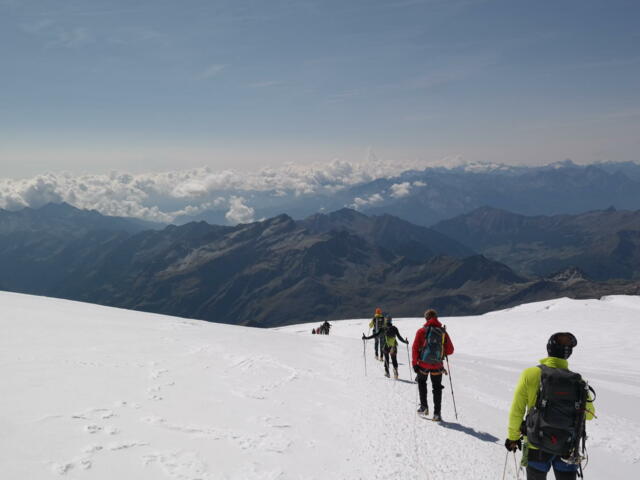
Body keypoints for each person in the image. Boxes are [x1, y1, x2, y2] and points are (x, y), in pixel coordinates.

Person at [505, 332, 595, 480]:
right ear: (568, 354)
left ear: (549, 349)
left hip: (536, 445)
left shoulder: (530, 373)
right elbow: (589, 415)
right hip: (568, 448)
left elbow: (517, 410)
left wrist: (513, 438)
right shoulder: (578, 381)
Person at [411, 309, 454, 422]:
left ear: (426, 318)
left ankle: (424, 407)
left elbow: (415, 348)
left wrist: (415, 364)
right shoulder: (442, 331)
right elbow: (450, 350)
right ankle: (437, 414)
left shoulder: (421, 331)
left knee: (421, 383)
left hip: (423, 365)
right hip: (437, 365)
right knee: (437, 387)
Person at [362, 314, 408, 379]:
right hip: (393, 346)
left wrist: (366, 338)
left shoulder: (383, 328)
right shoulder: (395, 328)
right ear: (391, 321)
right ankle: (395, 373)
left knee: (386, 358)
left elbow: (375, 335)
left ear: (386, 320)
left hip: (386, 346)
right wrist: (405, 342)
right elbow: (399, 337)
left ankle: (387, 372)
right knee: (394, 359)